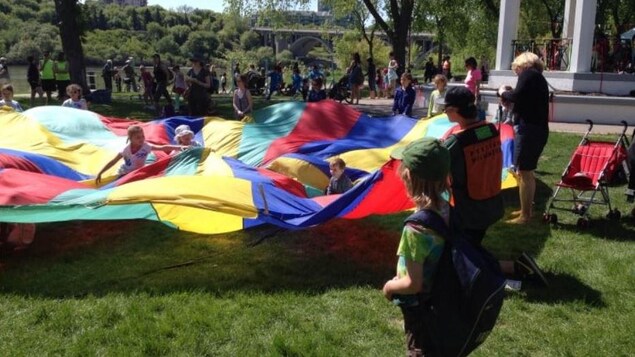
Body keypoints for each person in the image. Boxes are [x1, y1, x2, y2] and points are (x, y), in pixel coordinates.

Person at [440, 86, 548, 285]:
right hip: (491, 204)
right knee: (468, 248)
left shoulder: (455, 143)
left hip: (470, 212)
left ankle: (515, 267)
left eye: (445, 109)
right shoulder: (489, 129)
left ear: (454, 111)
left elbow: (436, 168)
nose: (444, 112)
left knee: (458, 257)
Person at [383, 137, 451, 356]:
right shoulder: (447, 209)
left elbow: (413, 284)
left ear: (408, 176)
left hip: (418, 304)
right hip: (440, 297)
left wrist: (390, 287)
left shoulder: (416, 228)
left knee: (418, 347)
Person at [499, 52, 550, 225]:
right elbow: (524, 99)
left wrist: (503, 93)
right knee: (526, 171)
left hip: (529, 129)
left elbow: (517, 96)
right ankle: (525, 209)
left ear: (522, 65)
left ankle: (525, 215)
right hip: (537, 129)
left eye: (516, 69)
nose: (516, 73)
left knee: (524, 171)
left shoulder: (528, 75)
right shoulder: (537, 78)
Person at [95, 125, 184, 184]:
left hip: (138, 172)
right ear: (130, 139)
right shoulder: (125, 150)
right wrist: (101, 172)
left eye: (142, 136)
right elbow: (113, 161)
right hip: (125, 173)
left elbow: (162, 147)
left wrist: (179, 147)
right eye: (138, 137)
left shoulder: (145, 146)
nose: (141, 139)